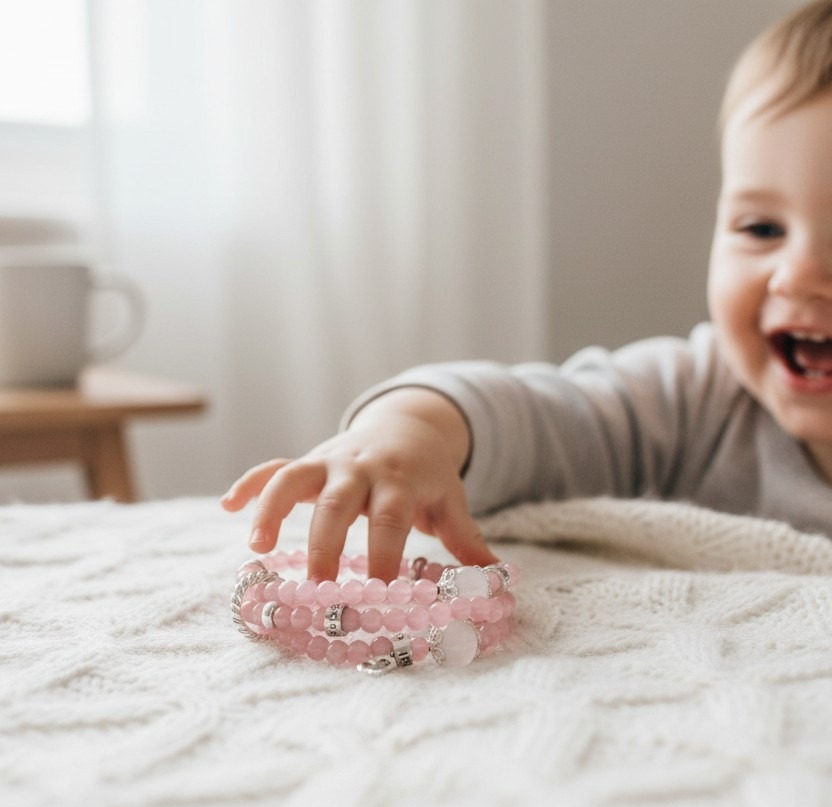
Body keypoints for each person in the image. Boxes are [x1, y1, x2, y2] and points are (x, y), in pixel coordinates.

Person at [222, 0, 832, 582]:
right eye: (762, 229)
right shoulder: (695, 402)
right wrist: (409, 432)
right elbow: (536, 417)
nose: (796, 275)